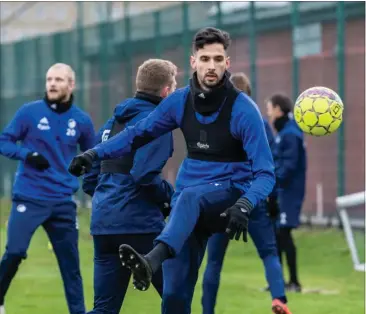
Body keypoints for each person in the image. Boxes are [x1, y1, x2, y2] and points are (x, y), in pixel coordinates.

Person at [68, 27, 292, 314]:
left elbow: (265, 173)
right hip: (188, 210)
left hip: (229, 197)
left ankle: (152, 260)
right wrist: (92, 154)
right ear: (193, 61)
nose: (211, 65)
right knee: (173, 297)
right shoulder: (179, 101)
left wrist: (246, 203)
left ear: (227, 63)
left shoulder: (244, 110)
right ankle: (157, 262)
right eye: (205, 58)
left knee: (189, 197)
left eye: (218, 59)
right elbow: (136, 134)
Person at [81, 59, 178, 314]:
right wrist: (169, 199)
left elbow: (90, 173)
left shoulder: (112, 123)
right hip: (140, 225)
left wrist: (107, 199)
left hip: (104, 225)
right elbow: (144, 174)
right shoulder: (156, 123)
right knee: (177, 298)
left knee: (103, 309)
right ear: (166, 90)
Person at [0, 63, 95, 314]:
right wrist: (27, 154)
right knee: (15, 251)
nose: (52, 84)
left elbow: (93, 155)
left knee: (71, 266)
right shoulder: (29, 113)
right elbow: (4, 141)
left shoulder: (82, 121)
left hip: (63, 200)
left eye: (59, 79)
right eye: (49, 79)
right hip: (29, 197)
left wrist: (88, 175)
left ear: (71, 85)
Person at [201, 72, 287, 314]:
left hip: (222, 200)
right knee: (269, 253)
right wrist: (273, 198)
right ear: (248, 95)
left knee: (214, 262)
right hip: (253, 198)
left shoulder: (213, 122)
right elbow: (272, 165)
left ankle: (207, 311)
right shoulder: (259, 122)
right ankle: (279, 299)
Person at [266, 93, 307, 293]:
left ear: (278, 110)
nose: (268, 113)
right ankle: (279, 281)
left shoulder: (290, 133)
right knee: (277, 235)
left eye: (269, 108)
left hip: (288, 193)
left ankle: (294, 282)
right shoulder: (284, 131)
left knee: (284, 234)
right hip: (281, 191)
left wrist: (272, 182)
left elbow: (288, 166)